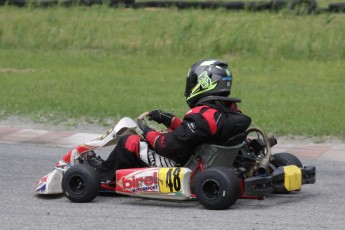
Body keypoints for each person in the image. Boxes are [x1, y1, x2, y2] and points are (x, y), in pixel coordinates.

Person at [91, 59, 251, 182]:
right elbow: (190, 133)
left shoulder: (203, 116)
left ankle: (102, 174)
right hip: (207, 162)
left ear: (204, 83)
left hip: (184, 168)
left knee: (129, 141)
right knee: (155, 138)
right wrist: (168, 119)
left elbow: (166, 145)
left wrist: (148, 132)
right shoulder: (228, 112)